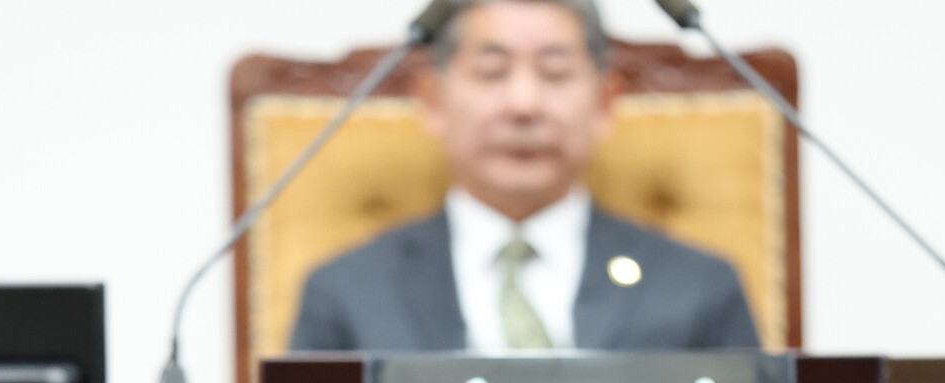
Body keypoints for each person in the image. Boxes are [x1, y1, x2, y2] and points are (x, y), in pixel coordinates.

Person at [288, 0, 761, 355]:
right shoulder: (346, 292)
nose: (523, 104)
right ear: (432, 101)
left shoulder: (701, 287)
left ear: (604, 102)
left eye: (555, 73)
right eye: (491, 72)